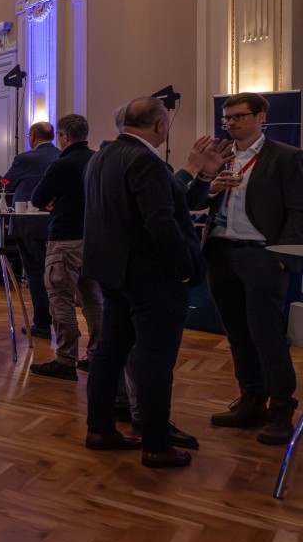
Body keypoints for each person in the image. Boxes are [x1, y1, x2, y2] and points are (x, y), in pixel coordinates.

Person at [82, 97, 205, 468]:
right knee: (155, 360)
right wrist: (184, 268)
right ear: (160, 126)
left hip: (113, 273)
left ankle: (99, 429)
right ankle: (156, 445)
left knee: (109, 353)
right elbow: (160, 221)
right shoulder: (145, 160)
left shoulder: (101, 156)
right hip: (151, 277)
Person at [202, 92, 303, 445]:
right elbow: (195, 200)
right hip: (220, 252)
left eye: (239, 116)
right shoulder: (219, 156)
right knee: (237, 333)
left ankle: (281, 409)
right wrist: (209, 187)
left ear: (261, 117)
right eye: (227, 117)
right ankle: (252, 400)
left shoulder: (286, 156)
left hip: (263, 256)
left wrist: (284, 257)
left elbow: (298, 210)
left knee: (267, 334)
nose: (230, 123)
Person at [28, 114, 103, 380]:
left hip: (64, 239)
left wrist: (55, 200)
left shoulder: (62, 163)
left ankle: (65, 359)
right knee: (94, 300)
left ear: (64, 136)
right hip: (94, 240)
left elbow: (38, 198)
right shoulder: (98, 160)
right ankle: (97, 356)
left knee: (61, 300)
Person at [3, 121, 58, 339]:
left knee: (35, 274)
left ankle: (42, 324)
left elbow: (7, 184)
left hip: (29, 224)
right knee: (57, 276)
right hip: (56, 224)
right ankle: (61, 322)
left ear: (33, 136)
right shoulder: (61, 156)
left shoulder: (25, 159)